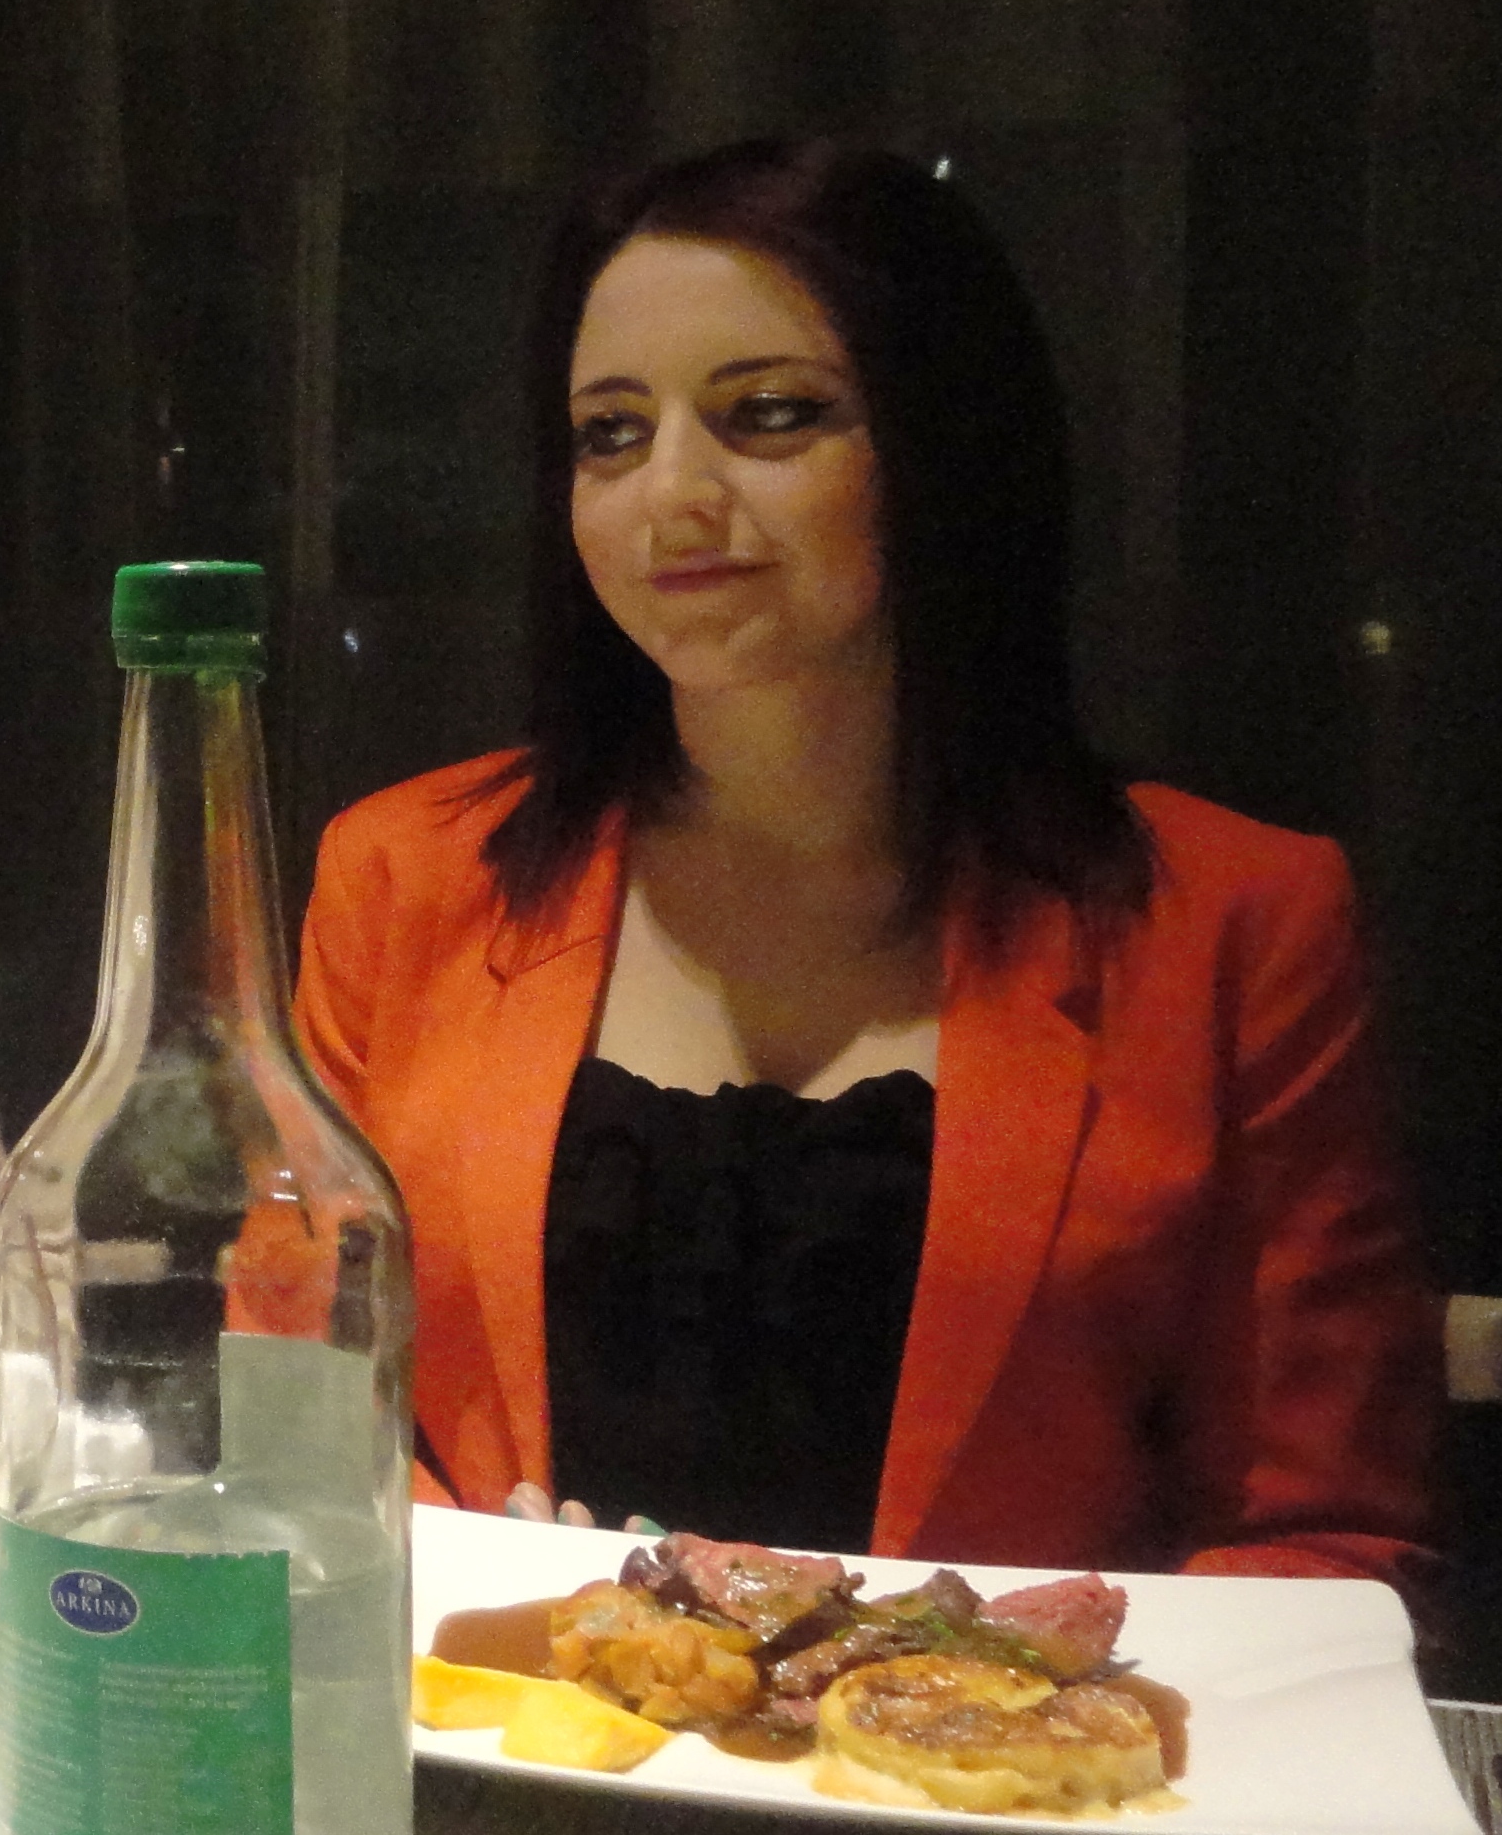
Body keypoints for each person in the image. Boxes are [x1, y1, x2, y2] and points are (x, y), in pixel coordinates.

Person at [295, 138, 1432, 1585]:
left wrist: (976, 1695)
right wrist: (498, 1589)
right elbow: (300, 1393)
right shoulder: (404, 877)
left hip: (1010, 1729)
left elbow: (1322, 1533)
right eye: (610, 433)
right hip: (500, 1706)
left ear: (944, 447)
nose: (671, 494)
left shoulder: (1235, 921)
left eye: (771, 415)